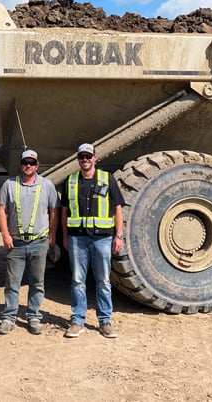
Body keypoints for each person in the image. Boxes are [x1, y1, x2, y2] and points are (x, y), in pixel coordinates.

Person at [61, 143, 125, 339]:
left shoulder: (107, 179)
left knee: (104, 281)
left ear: (95, 158)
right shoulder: (70, 181)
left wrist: (119, 235)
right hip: (77, 239)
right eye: (82, 157)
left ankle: (105, 320)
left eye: (89, 156)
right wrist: (64, 237)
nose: (85, 160)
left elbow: (118, 208)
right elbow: (64, 211)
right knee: (78, 281)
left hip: (102, 239)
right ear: (78, 159)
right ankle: (77, 321)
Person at [0, 150, 59, 335]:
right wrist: (6, 235)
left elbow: (54, 210)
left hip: (39, 242)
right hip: (15, 243)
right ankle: (8, 318)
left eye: (32, 163)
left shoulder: (46, 185)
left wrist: (52, 235)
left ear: (37, 165)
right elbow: (1, 209)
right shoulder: (9, 184)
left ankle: (33, 316)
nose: (28, 166)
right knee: (12, 283)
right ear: (20, 164)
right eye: (25, 162)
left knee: (37, 282)